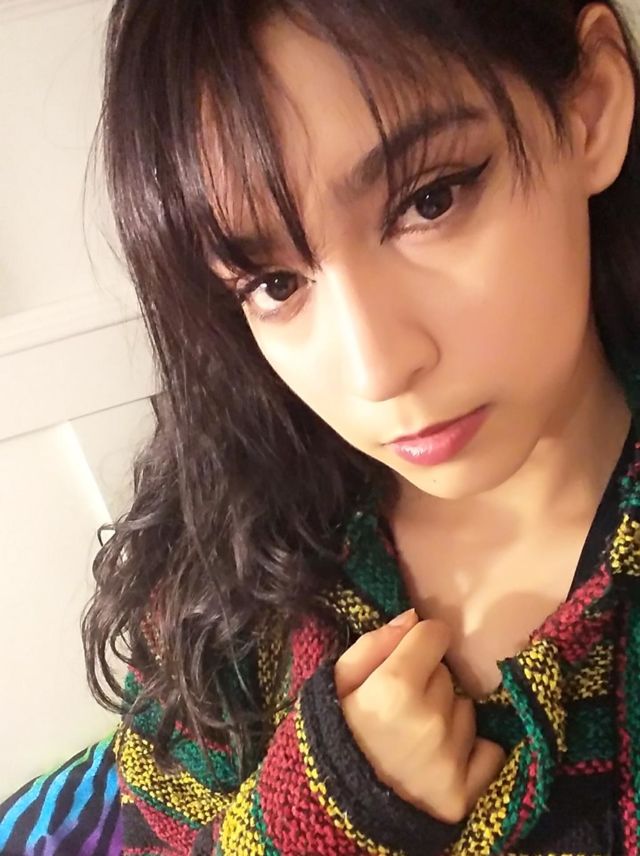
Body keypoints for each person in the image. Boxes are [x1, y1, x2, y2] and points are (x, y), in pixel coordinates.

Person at [2, 0, 640, 853]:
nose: (375, 371)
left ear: (591, 108)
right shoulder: (225, 555)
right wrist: (320, 816)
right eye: (273, 283)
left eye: (430, 200)